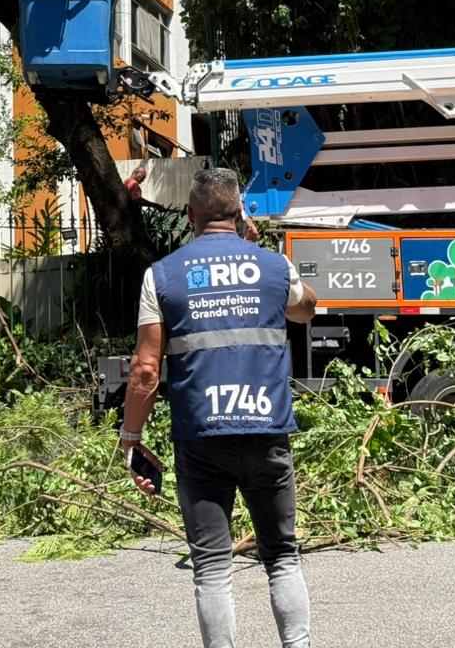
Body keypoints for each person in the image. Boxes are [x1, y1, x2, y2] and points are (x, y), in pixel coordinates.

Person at [120, 168, 318, 648]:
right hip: (266, 431)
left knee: (211, 567)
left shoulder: (161, 276)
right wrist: (254, 250)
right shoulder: (274, 267)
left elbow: (145, 370)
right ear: (241, 214)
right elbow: (305, 309)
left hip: (201, 439)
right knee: (282, 557)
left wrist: (131, 438)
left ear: (190, 215)